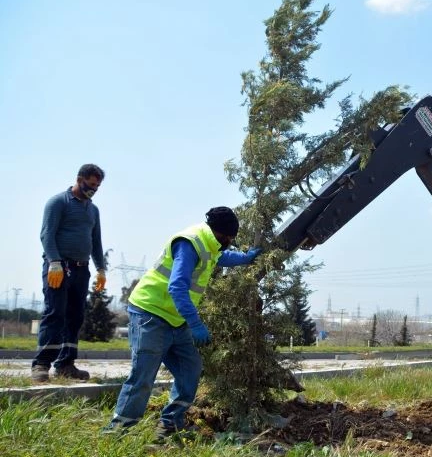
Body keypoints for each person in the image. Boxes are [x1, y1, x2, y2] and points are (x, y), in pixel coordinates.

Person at [105, 207, 261, 441]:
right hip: (150, 314)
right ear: (221, 233)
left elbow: (221, 257)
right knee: (143, 376)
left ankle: (170, 425)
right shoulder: (190, 243)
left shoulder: (211, 244)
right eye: (228, 238)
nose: (229, 243)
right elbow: (176, 287)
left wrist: (246, 258)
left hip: (175, 320)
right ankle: (118, 432)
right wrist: (196, 324)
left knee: (190, 370)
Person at [32, 164, 107, 383]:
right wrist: (54, 261)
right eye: (91, 184)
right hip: (58, 267)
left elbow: (96, 242)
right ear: (79, 179)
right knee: (55, 313)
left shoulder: (93, 210)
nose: (94, 189)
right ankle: (41, 364)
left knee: (75, 317)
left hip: (81, 268)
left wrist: (101, 268)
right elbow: (47, 234)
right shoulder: (58, 202)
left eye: (98, 186)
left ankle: (65, 364)